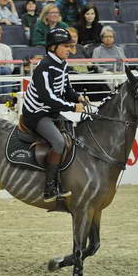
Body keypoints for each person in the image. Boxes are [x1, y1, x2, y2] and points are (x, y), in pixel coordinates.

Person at [22, 28, 87, 202]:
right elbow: (48, 97)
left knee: (72, 135)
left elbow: (66, 90)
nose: (69, 49)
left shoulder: (63, 64)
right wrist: (73, 107)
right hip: (36, 113)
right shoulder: (43, 67)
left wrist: (78, 97)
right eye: (65, 46)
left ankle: (63, 179)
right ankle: (49, 188)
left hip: (51, 111)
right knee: (58, 142)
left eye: (70, 46)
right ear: (52, 47)